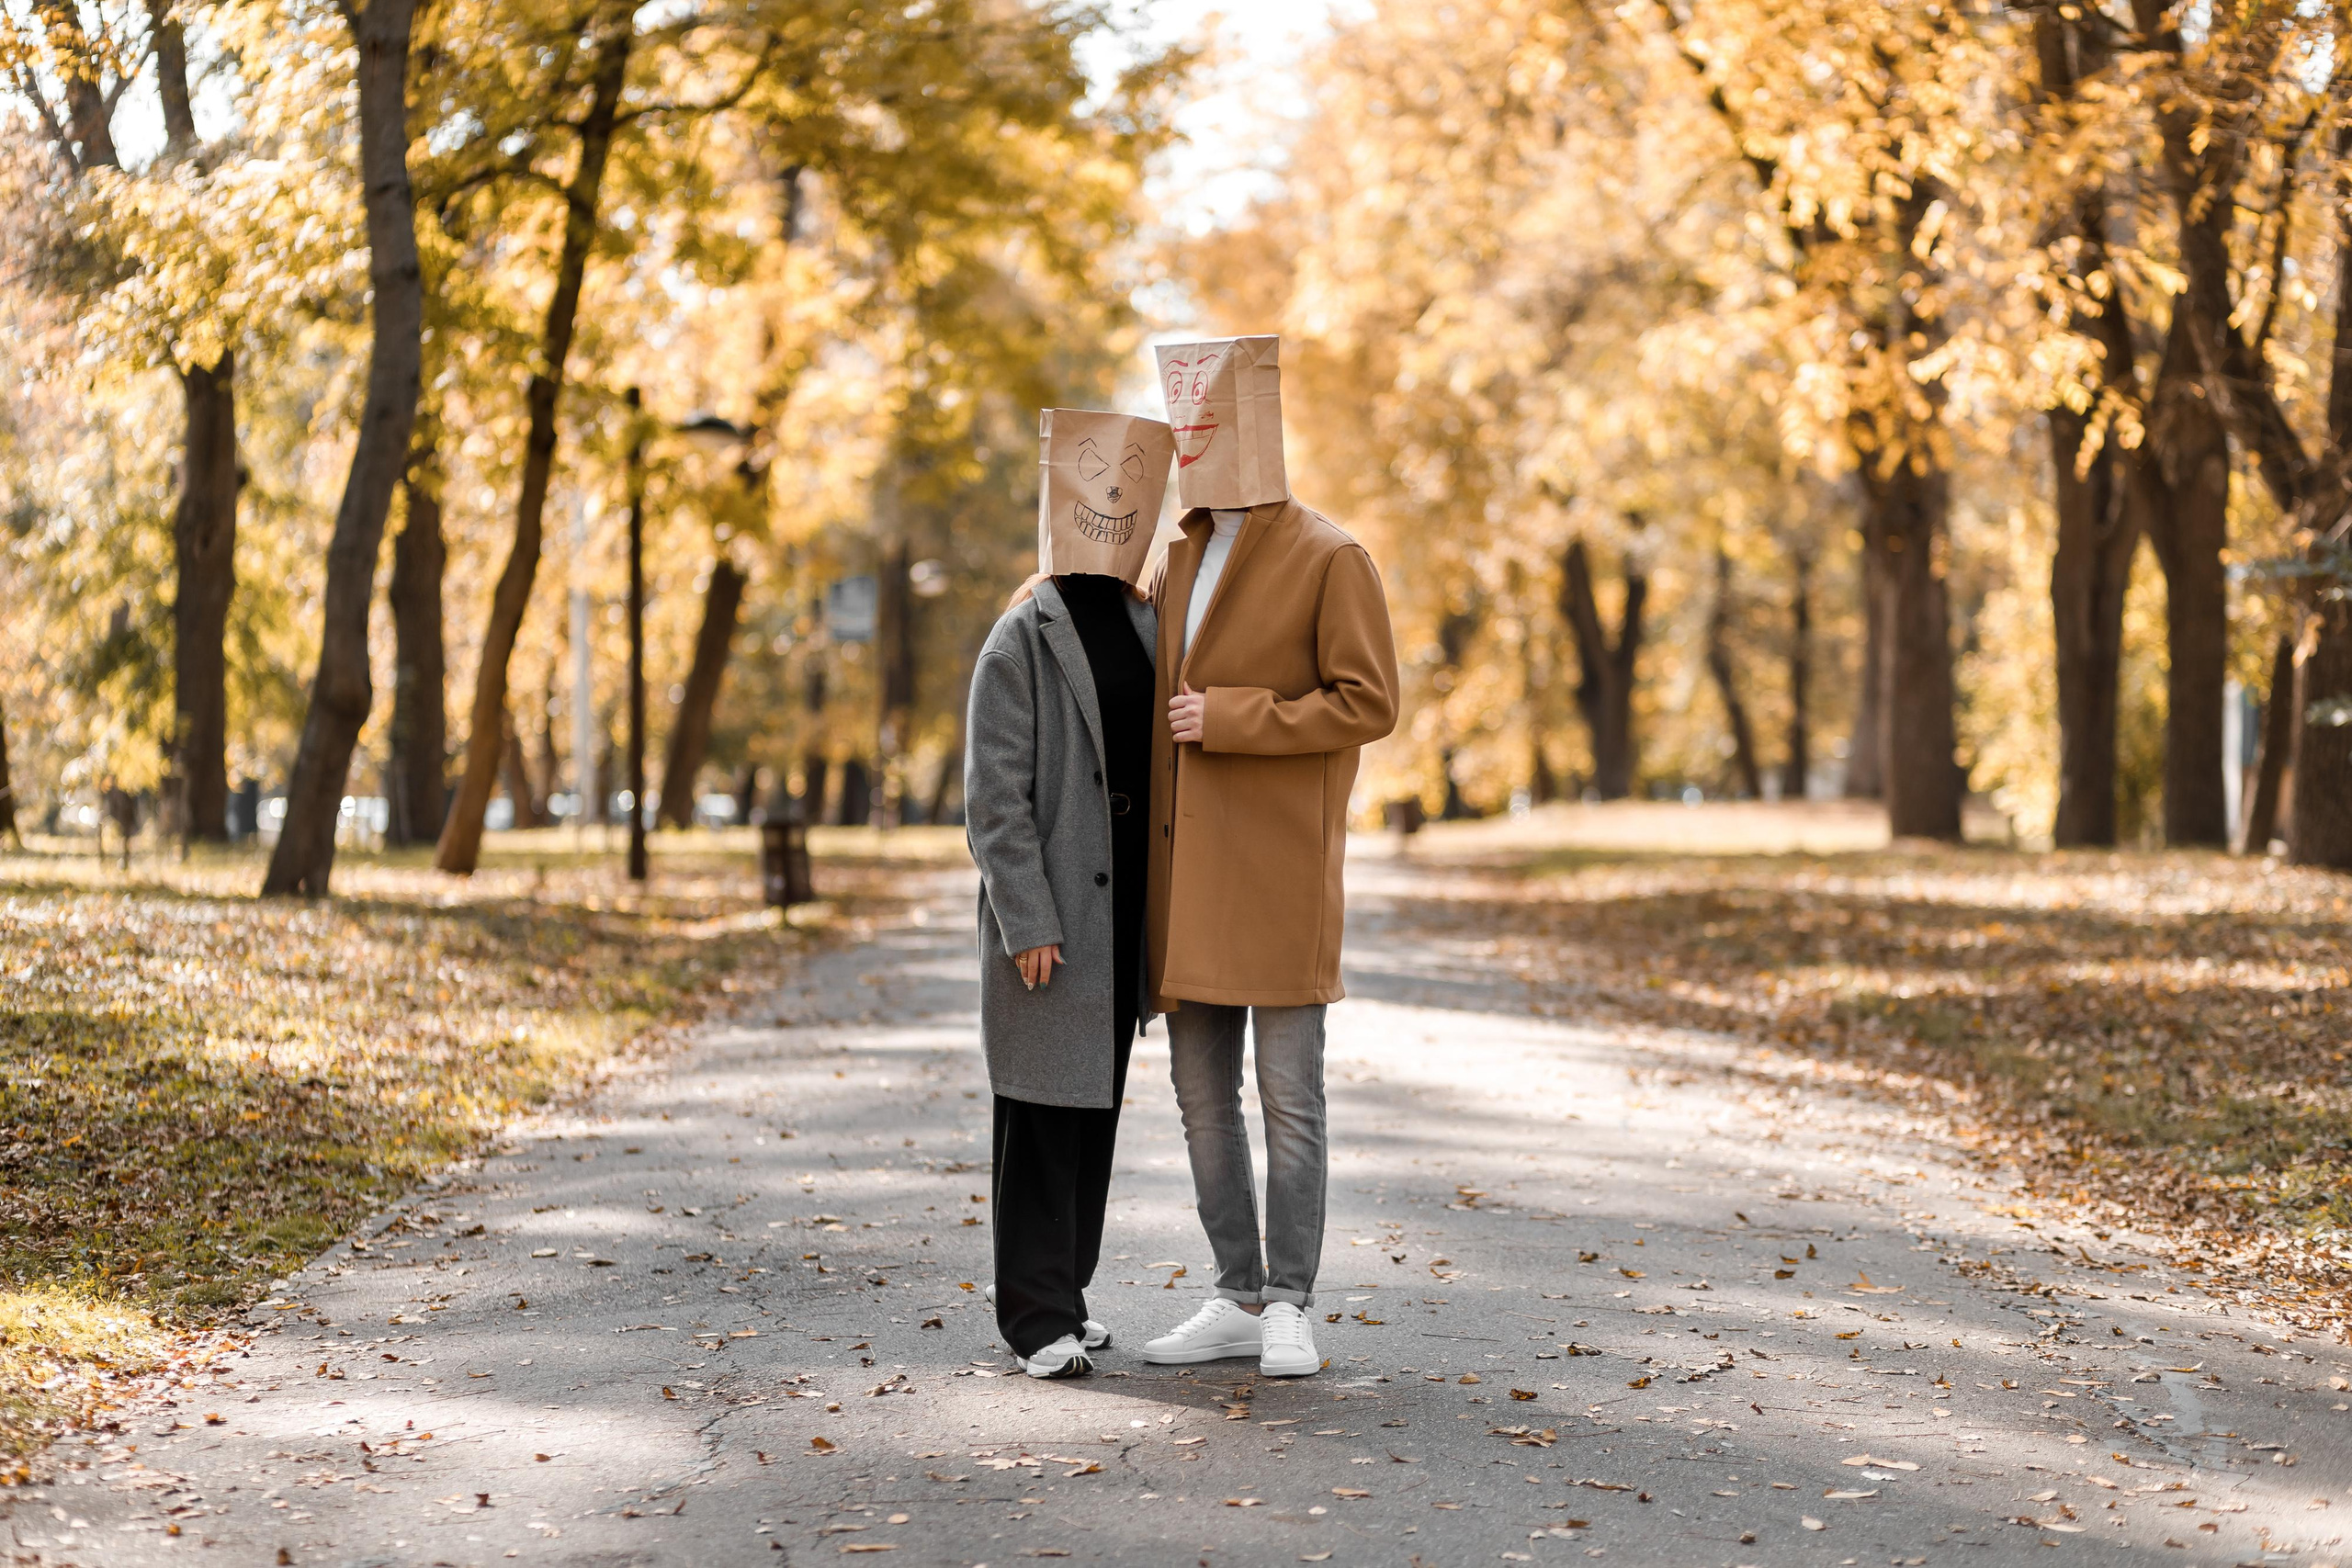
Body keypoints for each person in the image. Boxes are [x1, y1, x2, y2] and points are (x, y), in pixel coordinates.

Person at [1137, 336, 1400, 1379]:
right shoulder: (1179, 550)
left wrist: (1234, 716)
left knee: (1291, 1098)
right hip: (1189, 877)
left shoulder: (1332, 556)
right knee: (1202, 1098)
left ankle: (1291, 1300)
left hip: (1281, 872)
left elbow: (1369, 701)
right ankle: (1236, 1293)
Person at [963, 408, 1173, 1378]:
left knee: (1094, 1110)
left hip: (1121, 907)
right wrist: (1025, 917)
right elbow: (993, 800)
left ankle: (1069, 1293)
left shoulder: (1146, 623)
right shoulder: (1021, 638)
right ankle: (1033, 1317)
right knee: (1039, 1115)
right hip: (1051, 913)